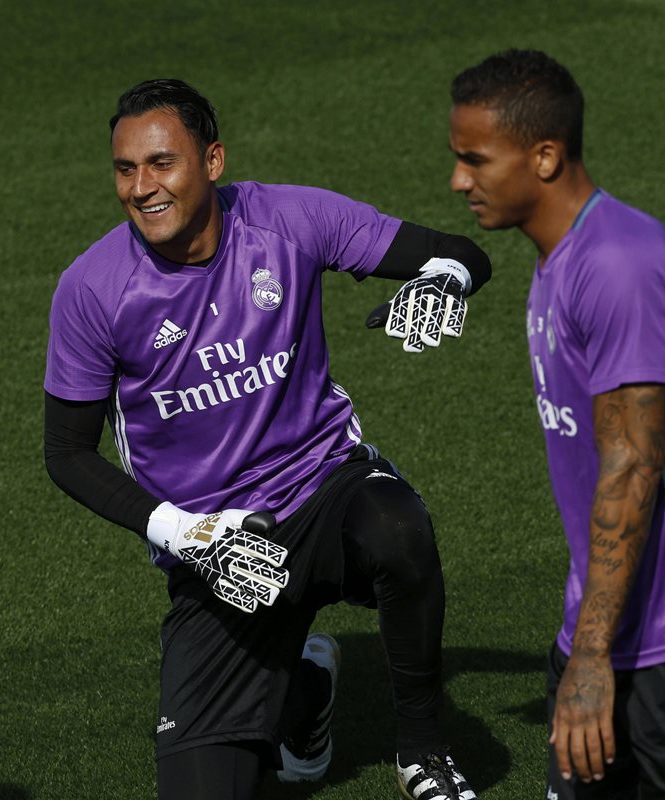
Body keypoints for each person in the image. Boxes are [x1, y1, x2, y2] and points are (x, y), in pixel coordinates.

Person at [44, 78, 490, 800]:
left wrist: (446, 281)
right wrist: (185, 534)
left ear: (212, 160)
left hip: (324, 489)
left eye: (162, 163)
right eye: (125, 169)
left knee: (398, 530)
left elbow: (459, 251)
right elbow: (65, 452)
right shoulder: (93, 290)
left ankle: (423, 751)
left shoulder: (287, 217)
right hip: (216, 545)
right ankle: (304, 691)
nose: (140, 187)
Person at [449, 49, 665, 798]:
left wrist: (588, 659)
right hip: (603, 634)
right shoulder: (561, 261)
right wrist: (585, 648)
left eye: (474, 160)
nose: (459, 180)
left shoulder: (618, 262)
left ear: (546, 156)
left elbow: (633, 464)